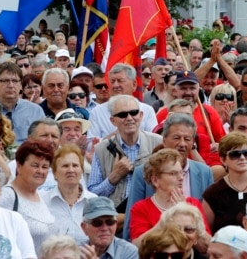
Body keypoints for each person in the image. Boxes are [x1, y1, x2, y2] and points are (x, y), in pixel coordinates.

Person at [124, 113, 214, 239]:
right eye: (176, 138)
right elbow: (130, 226)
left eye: (187, 139)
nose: (182, 144)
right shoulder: (143, 171)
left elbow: (207, 228)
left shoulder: (205, 172)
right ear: (164, 140)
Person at [89, 95, 163, 227]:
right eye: (122, 115)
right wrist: (113, 178)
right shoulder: (101, 149)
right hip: (114, 222)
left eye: (133, 113)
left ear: (141, 115)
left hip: (151, 220)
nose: (129, 118)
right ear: (113, 120)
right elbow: (92, 195)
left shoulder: (158, 143)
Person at [129, 148, 210, 244]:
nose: (181, 178)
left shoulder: (192, 204)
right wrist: (170, 216)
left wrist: (185, 210)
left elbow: (206, 245)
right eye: (173, 173)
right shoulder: (141, 208)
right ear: (155, 180)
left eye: (181, 172)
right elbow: (138, 245)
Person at [0, 140, 56, 253]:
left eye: (45, 167)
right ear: (19, 166)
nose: (40, 171)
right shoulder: (6, 196)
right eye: (35, 165)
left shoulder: (40, 196)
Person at [40, 144, 96, 245]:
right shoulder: (42, 202)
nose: (71, 170)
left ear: (81, 171)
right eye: (65, 166)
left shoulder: (94, 201)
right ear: (54, 173)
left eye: (75, 165)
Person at [0, 62, 45, 144]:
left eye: (15, 81)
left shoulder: (35, 111)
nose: (11, 85)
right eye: (5, 81)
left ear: (20, 85)